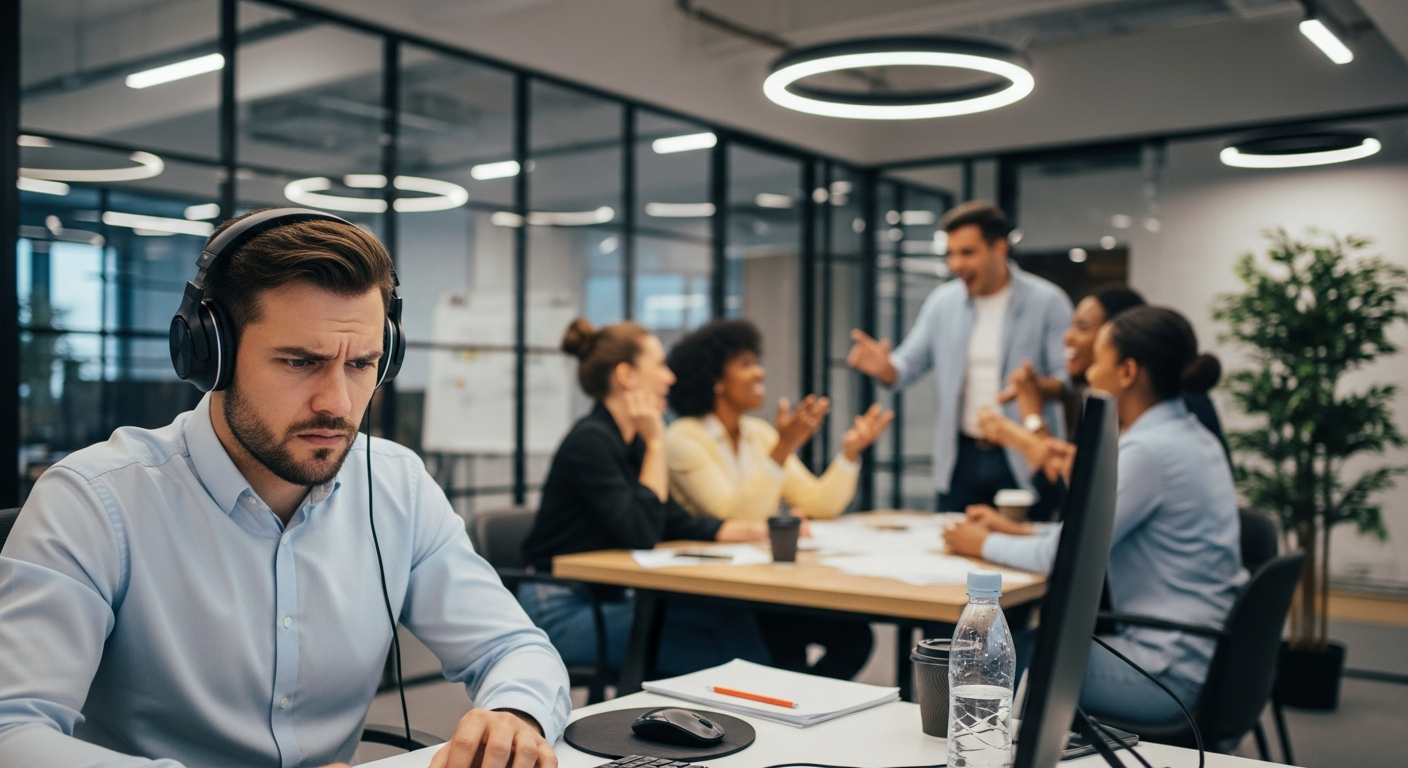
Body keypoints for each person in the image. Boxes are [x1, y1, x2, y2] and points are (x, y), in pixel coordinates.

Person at [0, 210, 569, 768]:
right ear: (212, 355)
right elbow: (12, 733)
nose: (338, 403)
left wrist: (514, 716)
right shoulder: (95, 501)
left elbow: (513, 647)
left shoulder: (397, 485)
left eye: (361, 364)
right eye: (300, 361)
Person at [944, 305, 1247, 726]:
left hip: (1166, 672)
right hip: (1204, 655)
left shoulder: (1148, 452)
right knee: (1026, 645)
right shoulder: (1191, 437)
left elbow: (1062, 556)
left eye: (1099, 361)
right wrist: (1017, 531)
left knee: (1002, 658)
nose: (1088, 374)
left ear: (1127, 372)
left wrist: (982, 543)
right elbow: (1089, 531)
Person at [521, 318, 771, 676]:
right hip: (560, 610)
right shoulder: (590, 442)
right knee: (709, 655)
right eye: (660, 365)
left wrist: (754, 530)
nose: (670, 378)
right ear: (626, 376)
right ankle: (762, 695)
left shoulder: (630, 442)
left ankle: (774, 698)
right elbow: (641, 531)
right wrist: (656, 443)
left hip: (606, 599)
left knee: (728, 615)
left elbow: (673, 521)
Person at [663, 319, 893, 679]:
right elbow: (730, 513)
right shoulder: (684, 437)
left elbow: (819, 503)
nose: (760, 372)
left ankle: (807, 702)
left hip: (766, 583)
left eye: (756, 361)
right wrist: (784, 446)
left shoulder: (758, 433)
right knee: (788, 652)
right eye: (745, 364)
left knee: (854, 637)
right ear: (716, 380)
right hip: (719, 592)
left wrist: (850, 453)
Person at [847, 201, 1072, 512]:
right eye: (950, 254)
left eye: (967, 253)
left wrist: (1035, 386)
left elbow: (1068, 382)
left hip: (1021, 457)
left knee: (1024, 540)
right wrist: (885, 368)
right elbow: (906, 365)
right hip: (960, 458)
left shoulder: (1047, 302)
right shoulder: (943, 303)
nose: (955, 264)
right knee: (952, 538)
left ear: (999, 249)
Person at [998, 286, 1228, 457]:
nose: (1067, 336)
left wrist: (1032, 420)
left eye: (1082, 327)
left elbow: (1084, 496)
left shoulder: (1158, 430)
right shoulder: (1098, 398)